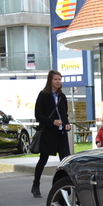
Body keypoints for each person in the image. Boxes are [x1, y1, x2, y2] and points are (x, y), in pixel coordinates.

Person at [31, 70, 71, 198]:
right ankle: (36, 185)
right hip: (48, 133)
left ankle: (67, 186)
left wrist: (66, 123)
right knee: (43, 160)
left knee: (66, 161)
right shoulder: (43, 95)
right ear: (50, 81)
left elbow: (64, 114)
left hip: (61, 134)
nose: (58, 81)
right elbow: (38, 115)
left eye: (60, 79)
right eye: (56, 79)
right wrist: (52, 122)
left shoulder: (62, 97)